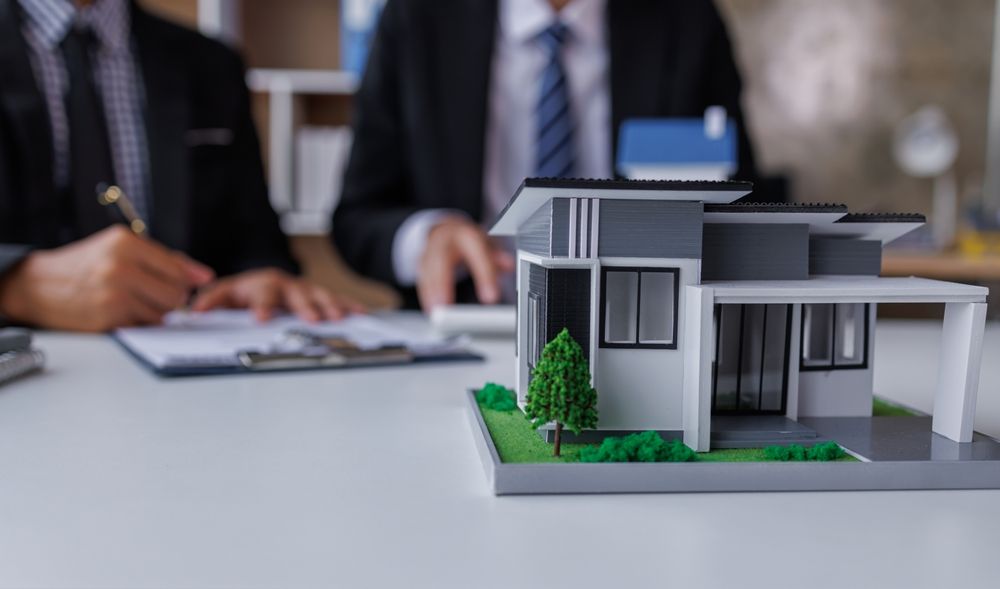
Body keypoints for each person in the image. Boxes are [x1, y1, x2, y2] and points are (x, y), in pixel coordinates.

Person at [334, 0, 763, 311]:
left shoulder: (688, 21)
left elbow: (739, 203)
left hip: (639, 320)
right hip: (471, 322)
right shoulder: (415, 18)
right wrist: (427, 237)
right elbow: (357, 216)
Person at [0, 0, 361, 332]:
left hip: (185, 369)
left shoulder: (210, 64)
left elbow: (256, 240)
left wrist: (260, 278)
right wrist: (13, 285)